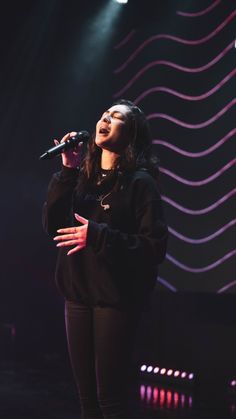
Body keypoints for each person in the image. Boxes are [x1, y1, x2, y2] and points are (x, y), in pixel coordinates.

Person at [43, 99, 168, 419]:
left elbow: (154, 248)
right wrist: (67, 170)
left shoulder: (141, 183)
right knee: (87, 402)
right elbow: (54, 225)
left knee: (111, 400)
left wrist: (97, 236)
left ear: (132, 133)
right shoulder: (84, 178)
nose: (106, 119)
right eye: (104, 114)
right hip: (79, 294)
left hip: (116, 299)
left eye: (116, 117)